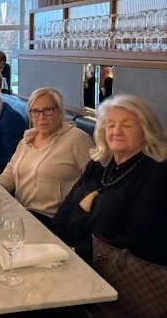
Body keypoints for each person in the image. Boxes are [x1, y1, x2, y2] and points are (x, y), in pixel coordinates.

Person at [50, 94, 167, 265]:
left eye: (127, 125)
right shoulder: (99, 163)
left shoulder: (157, 173)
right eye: (111, 125)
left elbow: (139, 237)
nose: (116, 132)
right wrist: (51, 239)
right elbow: (67, 208)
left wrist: (75, 253)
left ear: (146, 131)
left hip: (110, 268)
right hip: (68, 255)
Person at [0, 87, 93, 226]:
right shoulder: (26, 140)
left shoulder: (77, 139)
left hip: (55, 221)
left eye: (48, 110)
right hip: (21, 214)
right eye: (35, 111)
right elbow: (8, 177)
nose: (41, 117)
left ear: (60, 111)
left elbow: (94, 182)